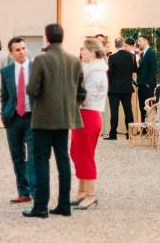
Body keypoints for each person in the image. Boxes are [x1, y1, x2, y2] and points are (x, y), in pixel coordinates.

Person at [23, 23, 86, 219]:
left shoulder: (41, 60)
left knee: (41, 161)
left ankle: (41, 206)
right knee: (63, 161)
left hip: (43, 118)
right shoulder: (74, 61)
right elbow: (82, 92)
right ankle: (64, 205)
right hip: (65, 118)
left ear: (47, 38)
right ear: (63, 37)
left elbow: (32, 89)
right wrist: (68, 104)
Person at [70, 38, 108, 210]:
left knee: (84, 155)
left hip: (89, 115)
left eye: (84, 49)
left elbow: (87, 97)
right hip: (84, 115)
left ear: (92, 52)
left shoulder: (96, 72)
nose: (81, 52)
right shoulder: (89, 70)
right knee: (77, 152)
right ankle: (82, 191)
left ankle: (90, 195)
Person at [0, 36, 35, 204]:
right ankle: (24, 192)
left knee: (34, 156)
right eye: (18, 50)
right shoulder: (6, 71)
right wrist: (4, 114)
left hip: (33, 118)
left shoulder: (36, 68)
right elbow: (4, 96)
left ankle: (36, 191)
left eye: (23, 48)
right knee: (17, 156)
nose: (22, 52)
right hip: (13, 119)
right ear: (11, 53)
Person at [105, 37, 136, 140]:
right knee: (128, 111)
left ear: (115, 45)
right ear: (124, 44)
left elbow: (109, 73)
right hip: (127, 88)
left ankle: (113, 134)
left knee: (114, 112)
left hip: (114, 89)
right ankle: (130, 133)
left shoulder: (112, 57)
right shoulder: (131, 56)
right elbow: (134, 69)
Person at [135, 35, 156, 122]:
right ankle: (144, 130)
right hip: (141, 85)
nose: (138, 43)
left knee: (148, 108)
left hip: (147, 86)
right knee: (142, 108)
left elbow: (153, 69)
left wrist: (148, 84)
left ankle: (148, 130)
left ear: (146, 41)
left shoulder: (151, 53)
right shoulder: (142, 54)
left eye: (140, 41)